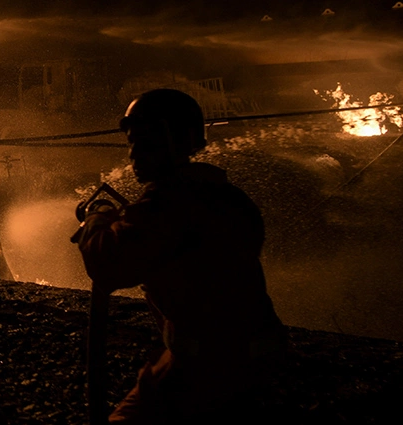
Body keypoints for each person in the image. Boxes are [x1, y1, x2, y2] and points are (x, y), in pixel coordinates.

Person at [77, 88, 284, 424]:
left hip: (205, 368)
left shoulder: (167, 205)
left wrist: (98, 215)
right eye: (132, 143)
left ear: (171, 141)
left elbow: (107, 265)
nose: (133, 155)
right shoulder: (230, 198)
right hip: (255, 357)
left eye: (143, 143)